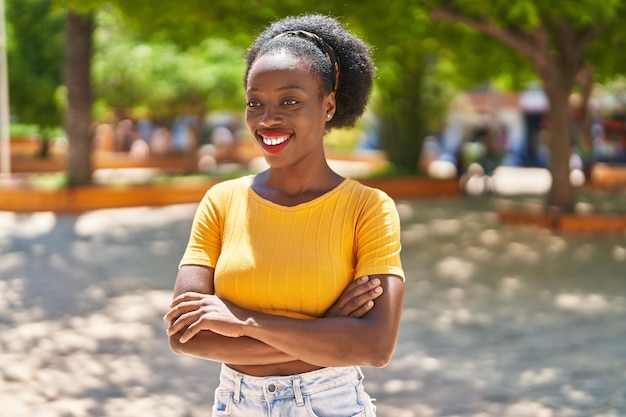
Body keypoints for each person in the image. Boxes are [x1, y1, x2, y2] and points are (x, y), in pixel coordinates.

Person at [163, 14, 405, 417]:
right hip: (236, 405)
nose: (267, 119)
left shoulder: (368, 208)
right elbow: (185, 337)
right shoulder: (222, 201)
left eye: (290, 101)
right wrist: (326, 328)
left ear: (328, 105)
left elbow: (375, 347)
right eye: (254, 103)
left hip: (332, 404)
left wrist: (240, 323)